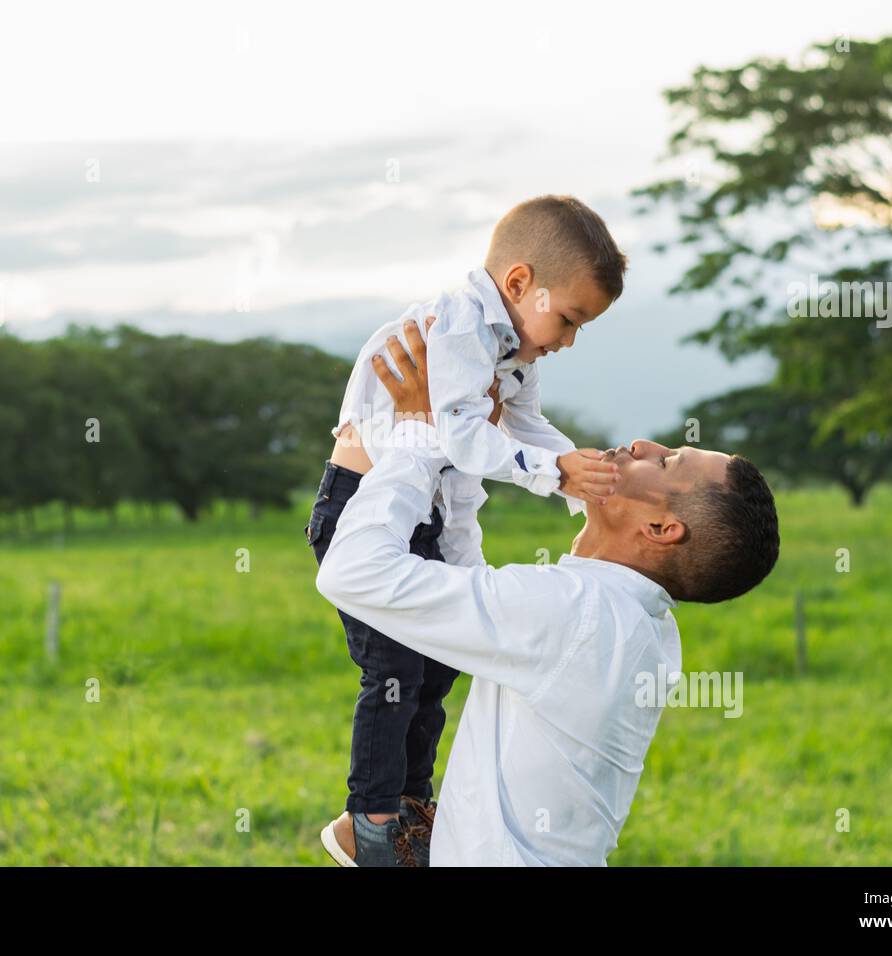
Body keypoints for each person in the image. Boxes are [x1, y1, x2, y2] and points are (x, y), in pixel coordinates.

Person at [316, 321, 780, 866]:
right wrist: (467, 452)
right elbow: (469, 585)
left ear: (660, 530)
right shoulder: (633, 622)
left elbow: (352, 573)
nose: (642, 444)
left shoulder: (574, 611)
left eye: (666, 461)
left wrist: (422, 436)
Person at [307, 196, 626, 865]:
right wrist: (553, 473)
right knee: (393, 670)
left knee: (438, 663)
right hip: (365, 507)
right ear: (518, 283)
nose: (568, 340)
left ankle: (412, 807)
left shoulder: (515, 353)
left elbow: (527, 430)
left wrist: (579, 476)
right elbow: (457, 433)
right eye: (568, 319)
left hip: (432, 515)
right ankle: (369, 821)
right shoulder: (454, 330)